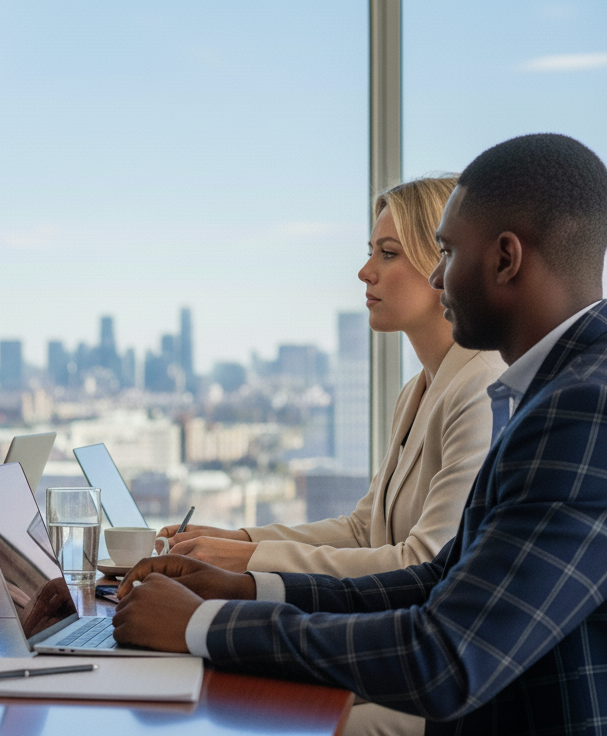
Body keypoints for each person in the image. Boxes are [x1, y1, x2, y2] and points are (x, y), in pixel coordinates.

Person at [112, 133, 607, 734]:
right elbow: (437, 578)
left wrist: (203, 625)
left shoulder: (581, 406)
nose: (437, 274)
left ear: (505, 259)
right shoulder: (552, 390)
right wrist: (243, 586)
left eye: (446, 252)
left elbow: (445, 655)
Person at [159, 177, 505, 584]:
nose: (364, 271)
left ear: (443, 263)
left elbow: (424, 563)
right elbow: (365, 531)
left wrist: (245, 558)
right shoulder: (418, 390)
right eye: (371, 252)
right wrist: (236, 540)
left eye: (388, 254)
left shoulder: (482, 388)